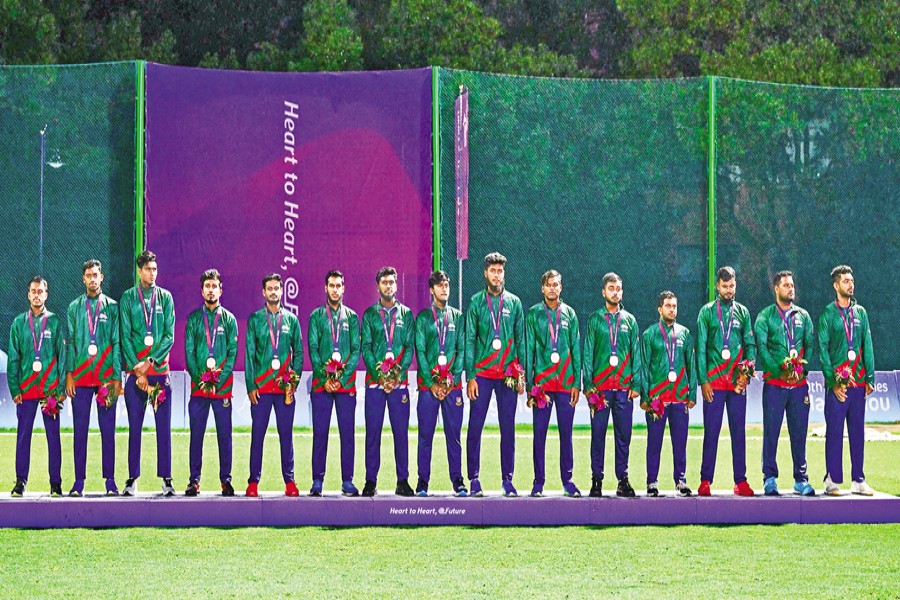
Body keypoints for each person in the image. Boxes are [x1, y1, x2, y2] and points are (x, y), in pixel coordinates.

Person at [465, 252, 526, 497]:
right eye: (493, 271)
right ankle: (474, 479)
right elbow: (470, 340)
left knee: (508, 428)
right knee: (475, 427)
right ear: (485, 273)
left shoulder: (514, 303)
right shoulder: (476, 302)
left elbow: (520, 340)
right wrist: (470, 376)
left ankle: (507, 480)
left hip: (508, 375)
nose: (497, 275)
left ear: (504, 274)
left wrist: (521, 374)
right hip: (482, 374)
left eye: (500, 271)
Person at [695, 266, 756, 497]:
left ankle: (740, 481)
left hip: (737, 384)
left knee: (738, 432)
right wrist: (703, 380)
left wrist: (746, 374)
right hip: (714, 384)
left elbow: (750, 346)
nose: (729, 290)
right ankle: (705, 480)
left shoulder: (743, 312)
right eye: (725, 286)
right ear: (717, 287)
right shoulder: (707, 312)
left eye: (732, 286)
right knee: (711, 432)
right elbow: (701, 348)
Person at [119, 250, 176, 496]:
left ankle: (167, 479)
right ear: (139, 271)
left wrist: (150, 363)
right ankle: (132, 479)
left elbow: (169, 336)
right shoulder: (128, 298)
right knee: (135, 427)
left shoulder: (166, 298)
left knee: (164, 427)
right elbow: (125, 336)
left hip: (160, 373)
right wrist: (138, 370)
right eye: (148, 269)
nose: (152, 273)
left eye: (154, 269)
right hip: (136, 376)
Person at [754, 270, 816, 496]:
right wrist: (778, 372)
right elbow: (762, 349)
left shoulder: (803, 316)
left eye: (792, 285)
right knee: (771, 433)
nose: (791, 289)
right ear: (776, 289)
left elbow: (810, 345)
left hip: (799, 386)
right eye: (786, 285)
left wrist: (801, 370)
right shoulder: (765, 316)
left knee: (799, 433)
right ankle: (769, 479)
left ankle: (801, 479)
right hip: (775, 386)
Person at [65, 259, 122, 497]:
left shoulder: (112, 307)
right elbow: (70, 343)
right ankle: (79, 482)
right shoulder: (74, 307)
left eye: (95, 274)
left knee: (108, 431)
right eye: (88, 275)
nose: (92, 278)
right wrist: (69, 375)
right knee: (80, 431)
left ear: (102, 277)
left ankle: (110, 481)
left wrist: (117, 377)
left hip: (105, 379)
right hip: (80, 379)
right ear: (83, 279)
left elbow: (117, 343)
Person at [582, 272, 641, 498]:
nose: (615, 292)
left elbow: (636, 354)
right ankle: (596, 480)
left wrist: (636, 383)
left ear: (622, 292)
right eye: (611, 289)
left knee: (623, 436)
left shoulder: (630, 320)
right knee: (597, 435)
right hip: (600, 390)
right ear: (603, 292)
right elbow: (588, 353)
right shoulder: (595, 319)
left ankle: (622, 480)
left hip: (624, 389)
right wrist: (588, 385)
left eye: (618, 289)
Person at [818, 265, 876, 496]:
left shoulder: (861, 313)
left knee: (857, 432)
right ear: (836, 286)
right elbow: (823, 350)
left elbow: (867, 346)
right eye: (845, 281)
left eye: (851, 280)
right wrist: (832, 382)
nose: (850, 284)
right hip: (837, 386)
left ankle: (858, 479)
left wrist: (869, 376)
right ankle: (831, 479)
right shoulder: (828, 314)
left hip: (858, 383)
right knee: (834, 432)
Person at [245, 273, 304, 497]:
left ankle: (290, 482)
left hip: (283, 390)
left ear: (281, 291)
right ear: (264, 292)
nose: (273, 292)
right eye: (269, 288)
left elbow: (299, 353)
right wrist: (251, 385)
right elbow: (249, 355)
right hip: (261, 389)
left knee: (286, 436)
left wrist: (293, 383)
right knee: (257, 435)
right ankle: (253, 482)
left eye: (276, 288)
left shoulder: (291, 320)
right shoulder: (255, 320)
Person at [524, 270, 582, 498]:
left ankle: (568, 481)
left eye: (555, 284)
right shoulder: (534, 314)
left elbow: (576, 349)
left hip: (566, 384)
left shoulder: (570, 314)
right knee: (539, 435)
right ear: (542, 288)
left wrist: (577, 382)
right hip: (543, 387)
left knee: (566, 434)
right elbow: (529, 350)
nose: (552, 288)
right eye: (548, 284)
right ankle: (538, 482)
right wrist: (530, 385)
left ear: (561, 288)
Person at [361, 267, 416, 497]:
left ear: (396, 285)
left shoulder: (406, 314)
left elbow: (409, 347)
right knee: (373, 434)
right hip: (375, 384)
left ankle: (402, 481)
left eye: (392, 282)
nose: (388, 286)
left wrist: (396, 375)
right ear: (378, 286)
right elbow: (366, 348)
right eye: (384, 282)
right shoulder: (369, 315)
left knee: (401, 434)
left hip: (399, 384)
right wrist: (380, 376)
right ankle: (370, 481)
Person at [184, 269, 238, 497]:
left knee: (224, 437)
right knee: (196, 436)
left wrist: (219, 380)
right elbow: (189, 353)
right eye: (207, 286)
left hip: (222, 389)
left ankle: (226, 480)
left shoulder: (229, 320)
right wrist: (201, 380)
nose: (211, 290)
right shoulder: (194, 319)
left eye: (214, 286)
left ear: (220, 290)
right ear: (202, 290)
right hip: (199, 390)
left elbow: (232, 354)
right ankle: (194, 481)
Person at [9, 276, 65, 497]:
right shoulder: (18, 323)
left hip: (50, 391)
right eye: (33, 291)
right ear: (28, 294)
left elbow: (62, 357)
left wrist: (60, 389)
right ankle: (20, 481)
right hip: (26, 390)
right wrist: (15, 389)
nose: (37, 295)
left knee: (54, 437)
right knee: (23, 436)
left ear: (46, 295)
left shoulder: (54, 321)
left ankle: (56, 483)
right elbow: (13, 358)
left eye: (40, 291)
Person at [307, 270, 361, 497]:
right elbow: (313, 349)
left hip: (345, 386)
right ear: (325, 288)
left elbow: (356, 350)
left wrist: (342, 378)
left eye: (339, 285)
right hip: (322, 387)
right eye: (332, 285)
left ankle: (347, 481)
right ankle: (317, 480)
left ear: (343, 288)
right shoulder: (316, 316)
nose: (335, 289)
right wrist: (324, 379)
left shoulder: (352, 317)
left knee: (347, 434)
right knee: (320, 433)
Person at [414, 270, 467, 497]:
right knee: (425, 436)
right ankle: (422, 481)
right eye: (439, 285)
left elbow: (461, 350)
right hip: (428, 388)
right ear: (431, 290)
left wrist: (451, 380)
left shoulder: (458, 317)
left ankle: (458, 480)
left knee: (454, 436)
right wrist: (432, 383)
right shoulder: (423, 318)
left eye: (446, 285)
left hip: (452, 388)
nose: (444, 289)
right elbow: (420, 352)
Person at [641, 291, 696, 497]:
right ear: (659, 309)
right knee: (654, 442)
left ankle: (680, 481)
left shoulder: (685, 334)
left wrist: (692, 394)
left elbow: (691, 365)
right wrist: (645, 397)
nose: (672, 309)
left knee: (680, 443)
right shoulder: (649, 334)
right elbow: (644, 367)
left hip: (679, 398)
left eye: (674, 306)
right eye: (668, 306)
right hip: (657, 400)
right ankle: (652, 482)